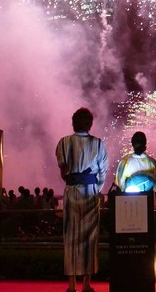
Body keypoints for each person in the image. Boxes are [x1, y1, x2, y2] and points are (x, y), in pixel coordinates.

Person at [56, 107, 109, 292]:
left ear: (73, 123)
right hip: (90, 192)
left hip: (71, 192)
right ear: (90, 124)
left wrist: (73, 180)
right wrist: (96, 190)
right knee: (90, 238)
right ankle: (86, 284)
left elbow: (63, 172)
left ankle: (71, 286)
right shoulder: (99, 145)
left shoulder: (63, 143)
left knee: (70, 237)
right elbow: (102, 173)